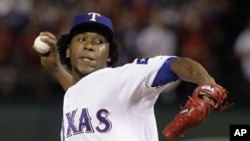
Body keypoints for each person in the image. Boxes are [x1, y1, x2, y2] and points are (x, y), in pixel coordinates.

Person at [35, 12, 231, 141]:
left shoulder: (123, 78)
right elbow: (83, 94)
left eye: (99, 41)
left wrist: (207, 84)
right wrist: (56, 69)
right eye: (81, 39)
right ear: (68, 50)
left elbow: (175, 64)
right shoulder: (73, 94)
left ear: (110, 54)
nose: (89, 45)